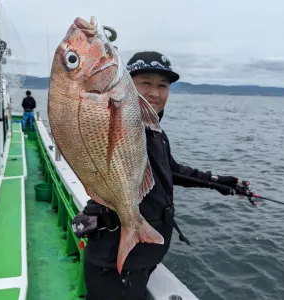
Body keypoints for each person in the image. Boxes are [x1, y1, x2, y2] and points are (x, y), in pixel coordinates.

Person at [81, 51, 247, 300]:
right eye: (146, 83)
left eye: (163, 85)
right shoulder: (118, 126)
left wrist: (215, 182)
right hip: (113, 263)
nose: (155, 93)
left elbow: (170, 169)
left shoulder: (155, 130)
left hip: (141, 256)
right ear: (125, 83)